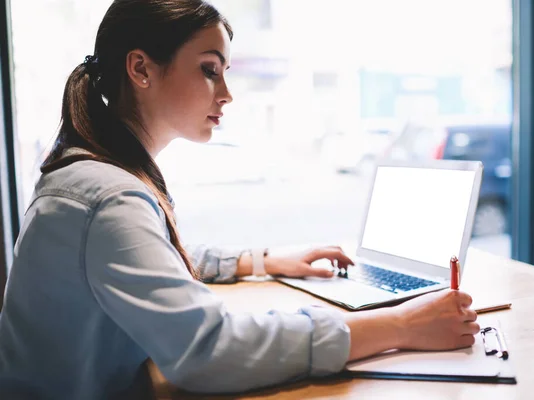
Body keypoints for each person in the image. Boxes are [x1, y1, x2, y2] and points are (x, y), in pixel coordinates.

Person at [0, 1, 479, 399]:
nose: (227, 94)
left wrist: (262, 261)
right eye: (210, 70)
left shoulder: (95, 175)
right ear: (141, 68)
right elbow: (210, 350)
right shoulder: (108, 196)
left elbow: (152, 260)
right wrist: (399, 325)